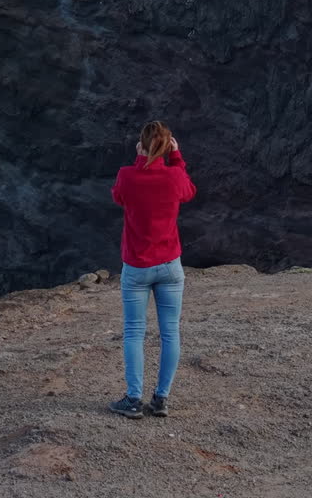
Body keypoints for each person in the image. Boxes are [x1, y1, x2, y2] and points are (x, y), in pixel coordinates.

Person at [108, 120, 197, 419]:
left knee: (134, 332)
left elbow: (118, 197)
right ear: (168, 146)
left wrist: (140, 159)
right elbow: (188, 191)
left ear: (142, 145)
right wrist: (176, 158)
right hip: (170, 265)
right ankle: (161, 399)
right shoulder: (174, 176)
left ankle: (133, 400)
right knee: (170, 332)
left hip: (136, 266)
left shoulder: (127, 175)